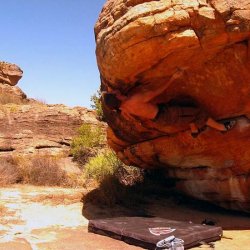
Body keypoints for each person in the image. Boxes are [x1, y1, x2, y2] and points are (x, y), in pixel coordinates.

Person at [102, 71, 235, 135]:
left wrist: (110, 94)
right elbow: (157, 92)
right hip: (167, 115)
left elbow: (115, 97)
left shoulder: (123, 109)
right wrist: (172, 78)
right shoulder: (135, 99)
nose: (115, 91)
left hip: (160, 116)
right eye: (114, 93)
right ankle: (221, 128)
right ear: (117, 97)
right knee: (198, 113)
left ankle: (194, 130)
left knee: (184, 102)